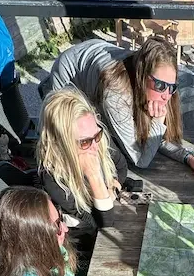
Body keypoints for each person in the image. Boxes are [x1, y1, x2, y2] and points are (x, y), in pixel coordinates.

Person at [46, 36, 194, 177]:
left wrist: (187, 157)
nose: (166, 94)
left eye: (172, 87)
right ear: (142, 76)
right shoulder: (115, 94)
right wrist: (157, 121)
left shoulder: (163, 90)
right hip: (69, 73)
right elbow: (140, 160)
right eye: (159, 85)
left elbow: (157, 137)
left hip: (94, 59)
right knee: (70, 143)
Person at [37, 86, 127, 236]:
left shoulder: (96, 137)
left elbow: (122, 166)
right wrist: (95, 177)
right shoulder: (53, 178)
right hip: (82, 239)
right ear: (62, 143)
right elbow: (104, 225)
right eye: (84, 142)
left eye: (97, 136)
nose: (95, 146)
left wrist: (112, 189)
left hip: (115, 215)